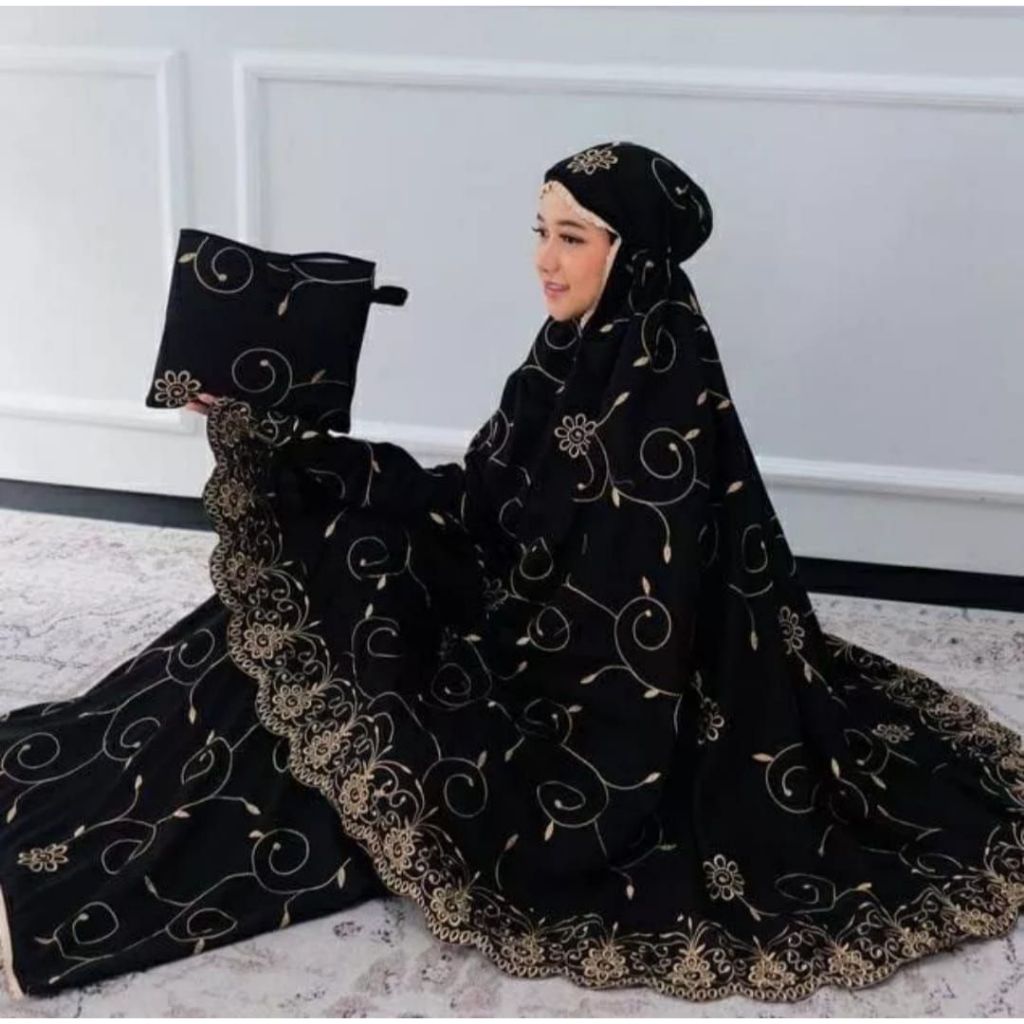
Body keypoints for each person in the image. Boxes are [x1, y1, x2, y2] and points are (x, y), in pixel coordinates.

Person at [2, 140, 1022, 1006]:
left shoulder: (657, 393)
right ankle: (92, 794)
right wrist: (297, 449)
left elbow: (627, 628)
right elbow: (484, 498)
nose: (544, 259)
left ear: (631, 253)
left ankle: (84, 882)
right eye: (541, 230)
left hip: (591, 691)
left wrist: (453, 623)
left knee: (368, 658)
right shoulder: (569, 350)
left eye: (572, 237)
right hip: (519, 603)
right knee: (337, 568)